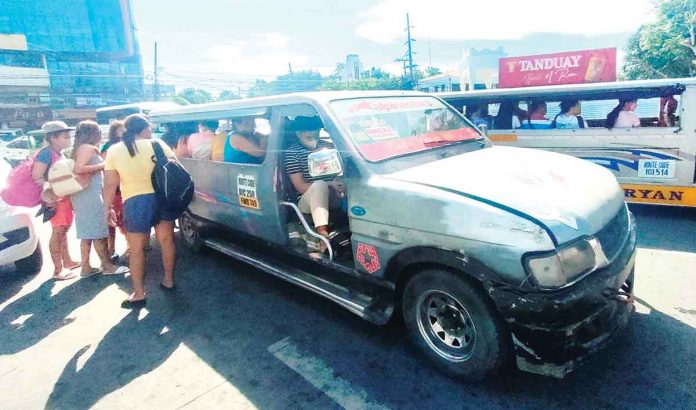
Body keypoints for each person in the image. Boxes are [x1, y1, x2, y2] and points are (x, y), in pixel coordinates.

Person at [103, 114, 179, 309]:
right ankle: (168, 280)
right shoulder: (157, 144)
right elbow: (176, 167)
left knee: (136, 249)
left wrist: (108, 208)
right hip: (162, 197)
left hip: (135, 201)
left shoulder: (114, 150)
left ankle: (139, 293)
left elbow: (111, 184)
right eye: (149, 128)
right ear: (145, 130)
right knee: (166, 240)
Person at [70, 120, 129, 277]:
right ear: (93, 134)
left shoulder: (78, 148)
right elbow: (79, 168)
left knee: (87, 233)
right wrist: (104, 165)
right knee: (98, 231)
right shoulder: (87, 148)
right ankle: (107, 266)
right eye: (98, 132)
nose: (100, 135)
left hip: (83, 195)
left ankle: (86, 268)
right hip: (90, 195)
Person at [284, 116, 344, 254]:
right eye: (306, 130)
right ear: (298, 133)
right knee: (320, 185)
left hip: (333, 195)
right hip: (307, 200)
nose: (311, 133)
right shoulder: (292, 153)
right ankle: (322, 234)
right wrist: (329, 184)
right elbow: (300, 187)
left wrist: (339, 182)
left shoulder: (327, 147)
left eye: (314, 129)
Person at [31, 121, 80, 280]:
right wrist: (50, 195)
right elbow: (37, 177)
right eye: (65, 136)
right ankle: (58, 271)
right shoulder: (46, 154)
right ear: (53, 137)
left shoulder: (58, 153)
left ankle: (67, 261)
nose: (69, 139)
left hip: (63, 198)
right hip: (56, 200)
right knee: (58, 232)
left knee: (63, 231)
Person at [101, 121, 127, 260]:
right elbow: (106, 168)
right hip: (115, 189)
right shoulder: (110, 146)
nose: (123, 131)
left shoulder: (126, 144)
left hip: (124, 187)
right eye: (120, 129)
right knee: (115, 219)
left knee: (123, 218)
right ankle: (112, 250)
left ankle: (131, 245)